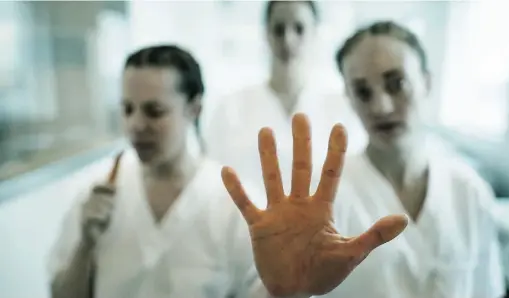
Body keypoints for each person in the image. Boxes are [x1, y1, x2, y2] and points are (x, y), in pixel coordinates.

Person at [47, 44, 408, 298]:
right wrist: (85, 243)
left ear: (194, 108)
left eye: (154, 111)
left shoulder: (234, 205)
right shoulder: (96, 196)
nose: (136, 125)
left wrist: (291, 290)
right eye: (127, 109)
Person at [323, 21, 506, 298]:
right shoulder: (328, 197)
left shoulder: (468, 192)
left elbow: (487, 291)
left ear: (426, 83)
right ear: (349, 98)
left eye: (397, 84)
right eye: (362, 92)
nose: (381, 106)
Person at [203, 0, 367, 191]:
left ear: (315, 33)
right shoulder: (231, 109)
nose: (287, 40)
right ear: (266, 33)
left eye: (299, 28)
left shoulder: (341, 107)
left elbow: (354, 177)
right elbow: (214, 177)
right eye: (278, 29)